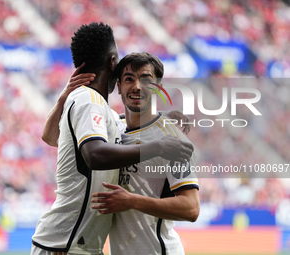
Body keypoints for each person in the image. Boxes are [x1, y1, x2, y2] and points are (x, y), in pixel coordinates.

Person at [32, 22, 194, 255]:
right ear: (112, 63)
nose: (137, 86)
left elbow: (49, 136)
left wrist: (160, 120)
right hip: (65, 244)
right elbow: (91, 152)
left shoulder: (108, 116)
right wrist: (158, 146)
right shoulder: (89, 100)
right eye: (128, 78)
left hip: (80, 244)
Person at [91, 52, 200, 255]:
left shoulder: (173, 140)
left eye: (146, 81)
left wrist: (132, 200)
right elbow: (52, 138)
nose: (137, 87)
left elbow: (191, 208)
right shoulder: (115, 129)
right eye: (129, 79)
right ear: (119, 87)